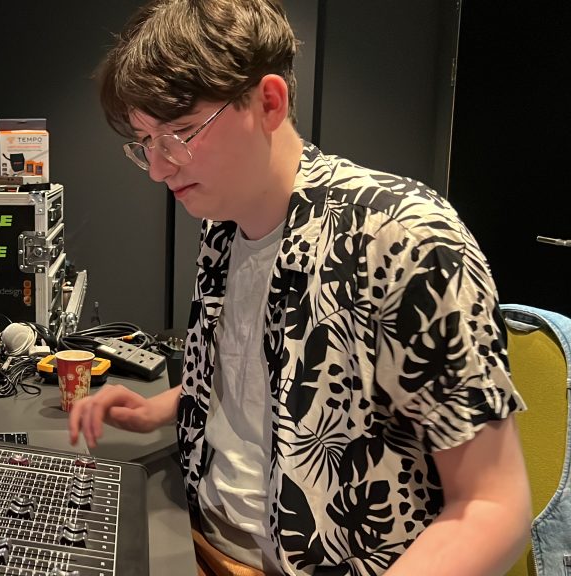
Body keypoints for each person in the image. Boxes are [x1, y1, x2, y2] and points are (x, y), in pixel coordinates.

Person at [67, 1, 532, 574]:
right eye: (146, 142)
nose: (160, 168)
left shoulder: (405, 236)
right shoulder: (222, 221)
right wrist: (165, 406)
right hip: (195, 538)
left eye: (181, 133)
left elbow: (492, 505)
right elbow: (270, 381)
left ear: (268, 102)